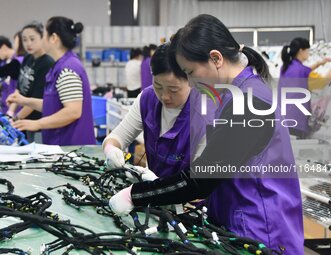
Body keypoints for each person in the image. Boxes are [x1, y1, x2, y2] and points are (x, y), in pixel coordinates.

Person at [109, 14, 304, 254]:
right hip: (238, 222)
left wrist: (134, 195)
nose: (190, 82)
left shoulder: (249, 101)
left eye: (190, 72)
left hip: (261, 230)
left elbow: (200, 179)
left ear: (216, 58)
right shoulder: (232, 94)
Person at [103, 42, 212, 181]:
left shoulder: (206, 116)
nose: (165, 96)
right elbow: (117, 137)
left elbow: (200, 181)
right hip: (151, 195)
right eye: (158, 86)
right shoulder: (147, 99)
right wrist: (111, 149)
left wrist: (157, 187)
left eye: (173, 89)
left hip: (190, 200)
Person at [7, 16, 96, 146]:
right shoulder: (59, 66)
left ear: (53, 38)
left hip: (72, 148)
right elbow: (52, 105)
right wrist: (23, 100)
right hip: (62, 147)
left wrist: (37, 123)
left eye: (43, 35)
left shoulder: (68, 69)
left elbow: (73, 111)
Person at [278, 37, 331, 139]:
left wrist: (319, 64)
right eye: (308, 50)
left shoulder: (286, 67)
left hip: (284, 120)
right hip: (297, 123)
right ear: (301, 51)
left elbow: (302, 72)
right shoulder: (303, 72)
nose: (309, 53)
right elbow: (323, 82)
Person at [6, 22, 54, 143]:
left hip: (39, 122)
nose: (28, 43)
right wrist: (10, 112)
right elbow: (19, 88)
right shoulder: (28, 58)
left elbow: (36, 97)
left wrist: (16, 118)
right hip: (24, 119)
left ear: (42, 37)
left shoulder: (46, 63)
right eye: (25, 40)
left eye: (32, 39)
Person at [0, 36, 22, 113]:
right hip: (5, 106)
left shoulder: (18, 61)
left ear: (3, 47)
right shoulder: (4, 62)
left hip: (16, 108)